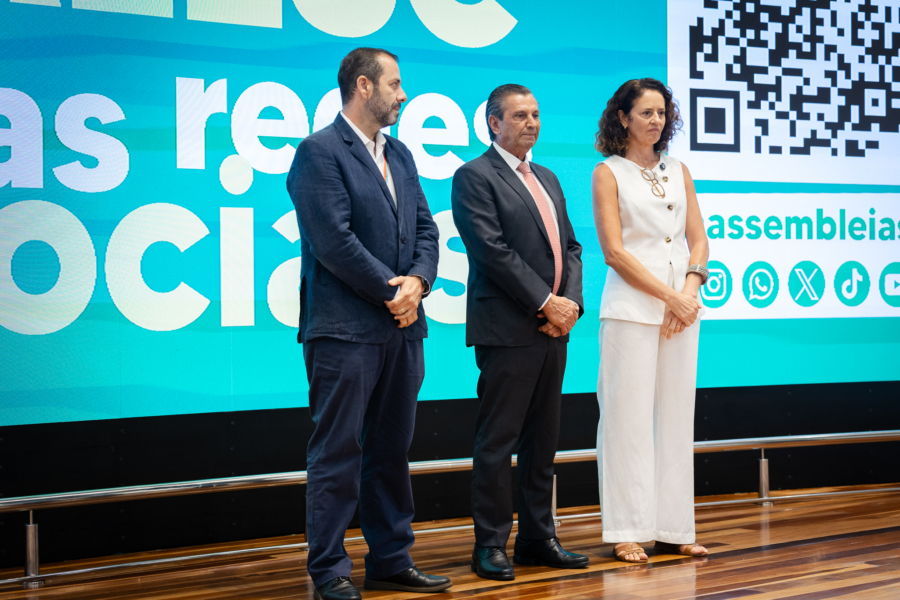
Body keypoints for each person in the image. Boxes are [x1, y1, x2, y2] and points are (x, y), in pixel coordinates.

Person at [286, 47, 450, 600]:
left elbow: (426, 230)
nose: (403, 94)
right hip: (343, 331)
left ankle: (391, 559)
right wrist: (393, 291)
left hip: (403, 330)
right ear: (363, 85)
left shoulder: (399, 153)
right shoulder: (318, 151)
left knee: (391, 452)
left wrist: (419, 283)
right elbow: (332, 240)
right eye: (395, 84)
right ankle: (329, 569)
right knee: (336, 452)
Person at [451, 84, 589, 581]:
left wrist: (570, 305)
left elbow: (570, 247)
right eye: (520, 115)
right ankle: (489, 544)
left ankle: (537, 538)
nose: (532, 123)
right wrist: (545, 303)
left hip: (554, 330)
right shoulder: (474, 176)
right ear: (494, 123)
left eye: (536, 114)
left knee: (542, 441)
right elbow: (491, 251)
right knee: (497, 443)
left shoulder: (547, 176)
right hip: (508, 330)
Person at [591, 78, 710, 563]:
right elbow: (614, 253)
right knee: (627, 421)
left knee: (677, 419)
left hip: (683, 313)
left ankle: (674, 527)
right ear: (623, 118)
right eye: (646, 112)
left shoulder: (679, 169)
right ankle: (627, 529)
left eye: (662, 112)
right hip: (631, 311)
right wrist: (670, 298)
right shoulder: (608, 172)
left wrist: (689, 294)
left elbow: (698, 240)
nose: (656, 120)